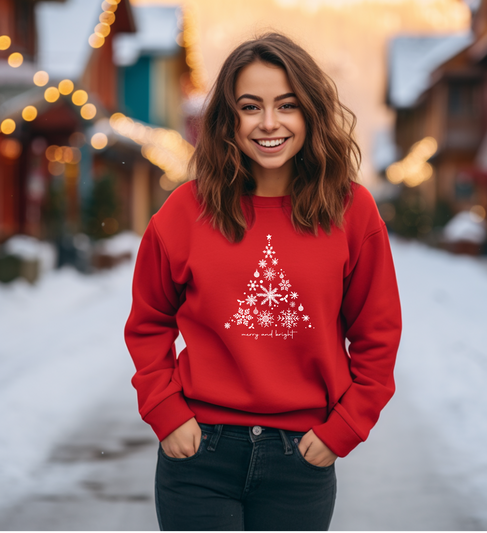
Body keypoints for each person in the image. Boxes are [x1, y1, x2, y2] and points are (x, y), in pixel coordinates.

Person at [124, 32, 402, 532]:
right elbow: (148, 322)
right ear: (229, 120)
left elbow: (377, 334)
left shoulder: (351, 211)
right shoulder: (184, 212)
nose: (269, 123)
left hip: (301, 458)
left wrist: (346, 426)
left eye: (287, 105)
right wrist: (166, 410)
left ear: (311, 113)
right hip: (199, 455)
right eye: (250, 107)